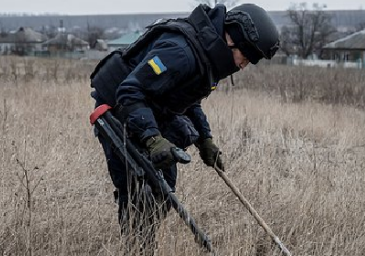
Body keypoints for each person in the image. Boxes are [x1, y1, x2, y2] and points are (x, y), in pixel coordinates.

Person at [89, 3, 279, 254]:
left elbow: (188, 99)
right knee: (139, 190)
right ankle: (137, 249)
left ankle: (144, 243)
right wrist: (153, 138)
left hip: (150, 110)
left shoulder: (207, 56)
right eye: (249, 55)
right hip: (117, 107)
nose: (247, 64)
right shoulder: (180, 53)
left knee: (163, 189)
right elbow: (130, 90)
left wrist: (205, 140)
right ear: (234, 39)